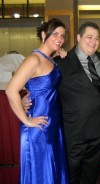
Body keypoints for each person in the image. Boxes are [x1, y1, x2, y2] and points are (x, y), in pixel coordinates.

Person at [23, 21, 100, 184]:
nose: (94, 41)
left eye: (97, 38)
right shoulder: (60, 62)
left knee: (92, 176)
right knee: (71, 176)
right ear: (78, 37)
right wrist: (27, 97)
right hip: (74, 132)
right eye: (89, 37)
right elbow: (43, 87)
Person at [5, 18, 69, 183]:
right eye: (55, 34)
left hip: (52, 124)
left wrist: (59, 50)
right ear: (43, 34)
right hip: (38, 126)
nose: (60, 38)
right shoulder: (34, 59)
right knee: (41, 172)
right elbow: (11, 90)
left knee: (52, 169)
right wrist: (27, 120)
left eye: (62, 35)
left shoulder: (49, 58)